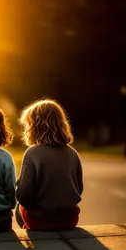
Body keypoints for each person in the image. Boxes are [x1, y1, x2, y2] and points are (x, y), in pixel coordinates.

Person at [15, 98, 83, 230]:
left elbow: (24, 195)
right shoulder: (73, 153)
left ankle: (28, 229)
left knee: (19, 207)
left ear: (35, 126)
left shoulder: (32, 153)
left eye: (28, 125)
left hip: (41, 221)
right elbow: (79, 189)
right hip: (70, 220)